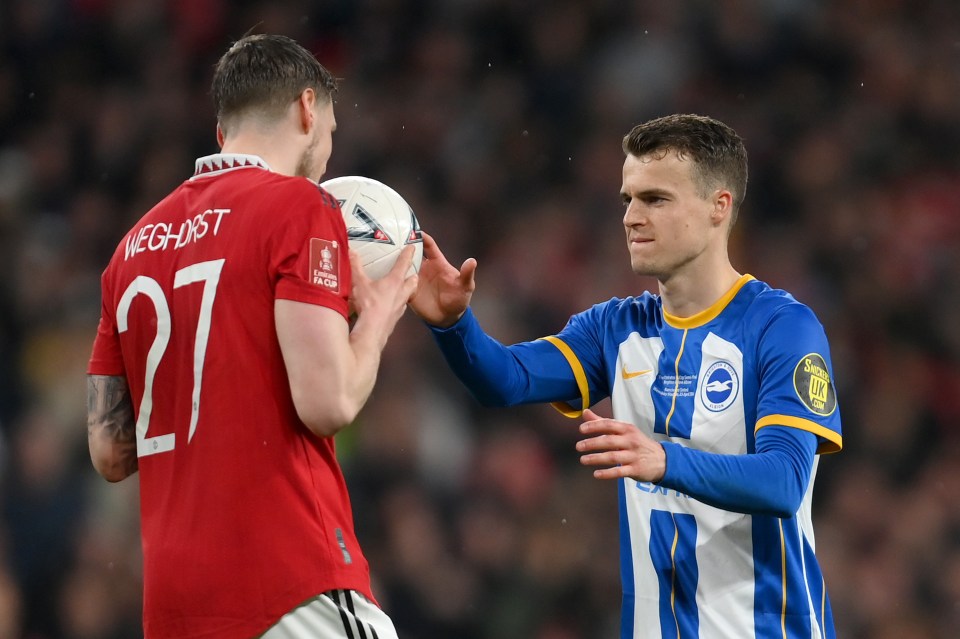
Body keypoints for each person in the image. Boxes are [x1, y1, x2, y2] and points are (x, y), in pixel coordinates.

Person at [410, 114, 842, 638]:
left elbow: (784, 482)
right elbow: (506, 379)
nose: (631, 217)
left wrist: (664, 460)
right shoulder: (616, 328)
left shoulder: (781, 327)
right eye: (627, 199)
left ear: (718, 207)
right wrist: (455, 324)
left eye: (655, 199)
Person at [86, 34, 417, 639]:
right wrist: (382, 312)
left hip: (176, 601)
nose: (327, 159)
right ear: (307, 109)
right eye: (332, 133)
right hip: (288, 583)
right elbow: (329, 403)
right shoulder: (299, 205)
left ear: (221, 133)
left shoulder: (130, 248)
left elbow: (109, 450)